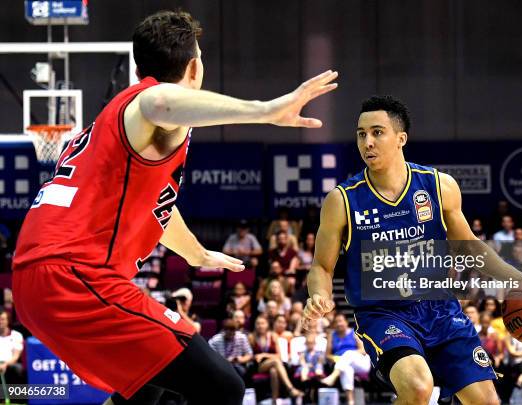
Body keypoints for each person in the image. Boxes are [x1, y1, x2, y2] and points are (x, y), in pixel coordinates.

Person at [10, 10, 338, 405]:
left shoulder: (112, 126)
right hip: (71, 276)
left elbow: (153, 207)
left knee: (147, 387)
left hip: (40, 278)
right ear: (195, 67)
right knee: (224, 386)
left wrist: (197, 253)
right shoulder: (146, 102)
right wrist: (266, 111)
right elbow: (160, 101)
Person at [304, 95, 522, 405]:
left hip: (439, 310)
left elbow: (470, 249)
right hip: (383, 314)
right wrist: (319, 295)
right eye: (361, 134)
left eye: (377, 132)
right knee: (418, 386)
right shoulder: (342, 201)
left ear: (401, 138)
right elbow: (321, 267)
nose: (367, 142)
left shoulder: (439, 186)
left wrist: (521, 281)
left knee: (487, 402)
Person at [248, 315, 304, 401]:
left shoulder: (273, 336)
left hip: (272, 363)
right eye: (258, 323)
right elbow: (250, 355)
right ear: (255, 325)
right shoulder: (251, 337)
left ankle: (274, 401)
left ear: (267, 325)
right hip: (258, 366)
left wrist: (264, 355)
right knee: (276, 362)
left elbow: (279, 355)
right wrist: (257, 357)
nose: (260, 326)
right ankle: (290, 388)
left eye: (262, 323)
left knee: (273, 370)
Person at [320, 313, 371, 405]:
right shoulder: (332, 335)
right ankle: (350, 401)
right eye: (336, 322)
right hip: (342, 363)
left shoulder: (354, 333)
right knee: (347, 369)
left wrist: (346, 357)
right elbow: (327, 355)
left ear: (346, 322)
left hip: (360, 362)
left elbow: (363, 350)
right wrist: (336, 358)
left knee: (348, 353)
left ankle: (333, 376)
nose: (339, 324)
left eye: (341, 321)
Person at [0, 310, 24, 384]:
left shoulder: (17, 335)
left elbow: (15, 357)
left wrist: (5, 364)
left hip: (10, 365)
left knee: (17, 368)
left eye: (2, 319)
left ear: (8, 320)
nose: (0, 322)